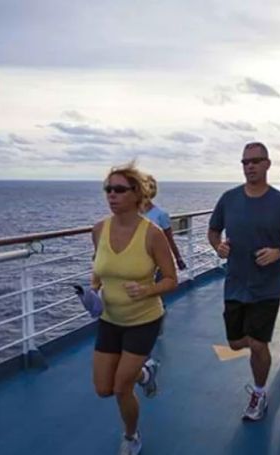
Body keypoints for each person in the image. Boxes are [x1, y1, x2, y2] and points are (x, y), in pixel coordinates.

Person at [208, 142, 280, 421]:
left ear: (267, 164)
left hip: (266, 287)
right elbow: (214, 230)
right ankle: (255, 357)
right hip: (235, 284)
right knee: (236, 342)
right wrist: (218, 246)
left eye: (255, 161)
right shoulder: (229, 199)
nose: (249, 166)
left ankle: (260, 392)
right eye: (245, 162)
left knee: (257, 343)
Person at [90, 162, 178, 455]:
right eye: (108, 189)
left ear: (135, 194)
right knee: (103, 388)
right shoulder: (99, 229)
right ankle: (146, 373)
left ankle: (131, 436)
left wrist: (147, 289)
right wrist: (92, 289)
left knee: (120, 388)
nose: (111, 195)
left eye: (118, 190)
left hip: (143, 320)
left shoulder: (152, 234)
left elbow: (171, 279)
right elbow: (99, 266)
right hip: (109, 318)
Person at [143, 174, 187, 271]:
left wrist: (178, 258)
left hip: (154, 262)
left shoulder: (161, 214)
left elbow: (169, 240)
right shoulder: (130, 214)